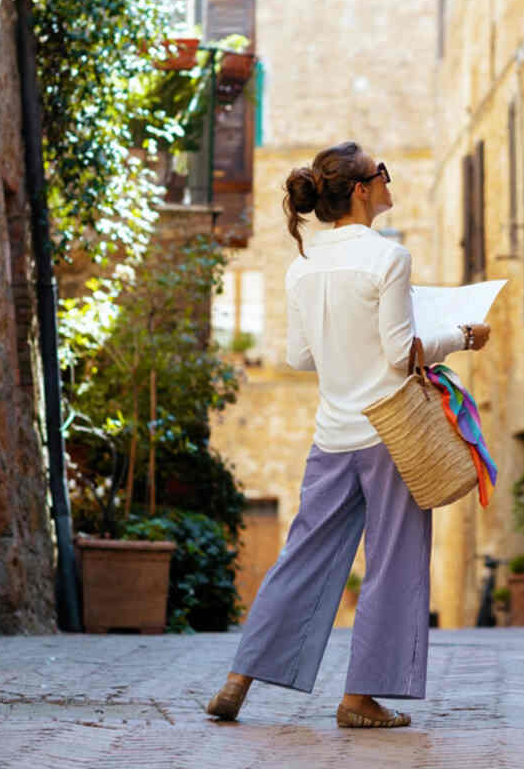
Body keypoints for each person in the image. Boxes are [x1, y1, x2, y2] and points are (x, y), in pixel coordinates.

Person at [206, 141, 490, 729]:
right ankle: (360, 699)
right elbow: (397, 352)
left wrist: (349, 349)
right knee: (393, 560)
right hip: (392, 433)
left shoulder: (302, 265)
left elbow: (298, 354)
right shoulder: (388, 258)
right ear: (362, 190)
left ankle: (241, 677)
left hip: (332, 434)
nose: (390, 181)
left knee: (301, 557)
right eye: (382, 174)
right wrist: (461, 334)